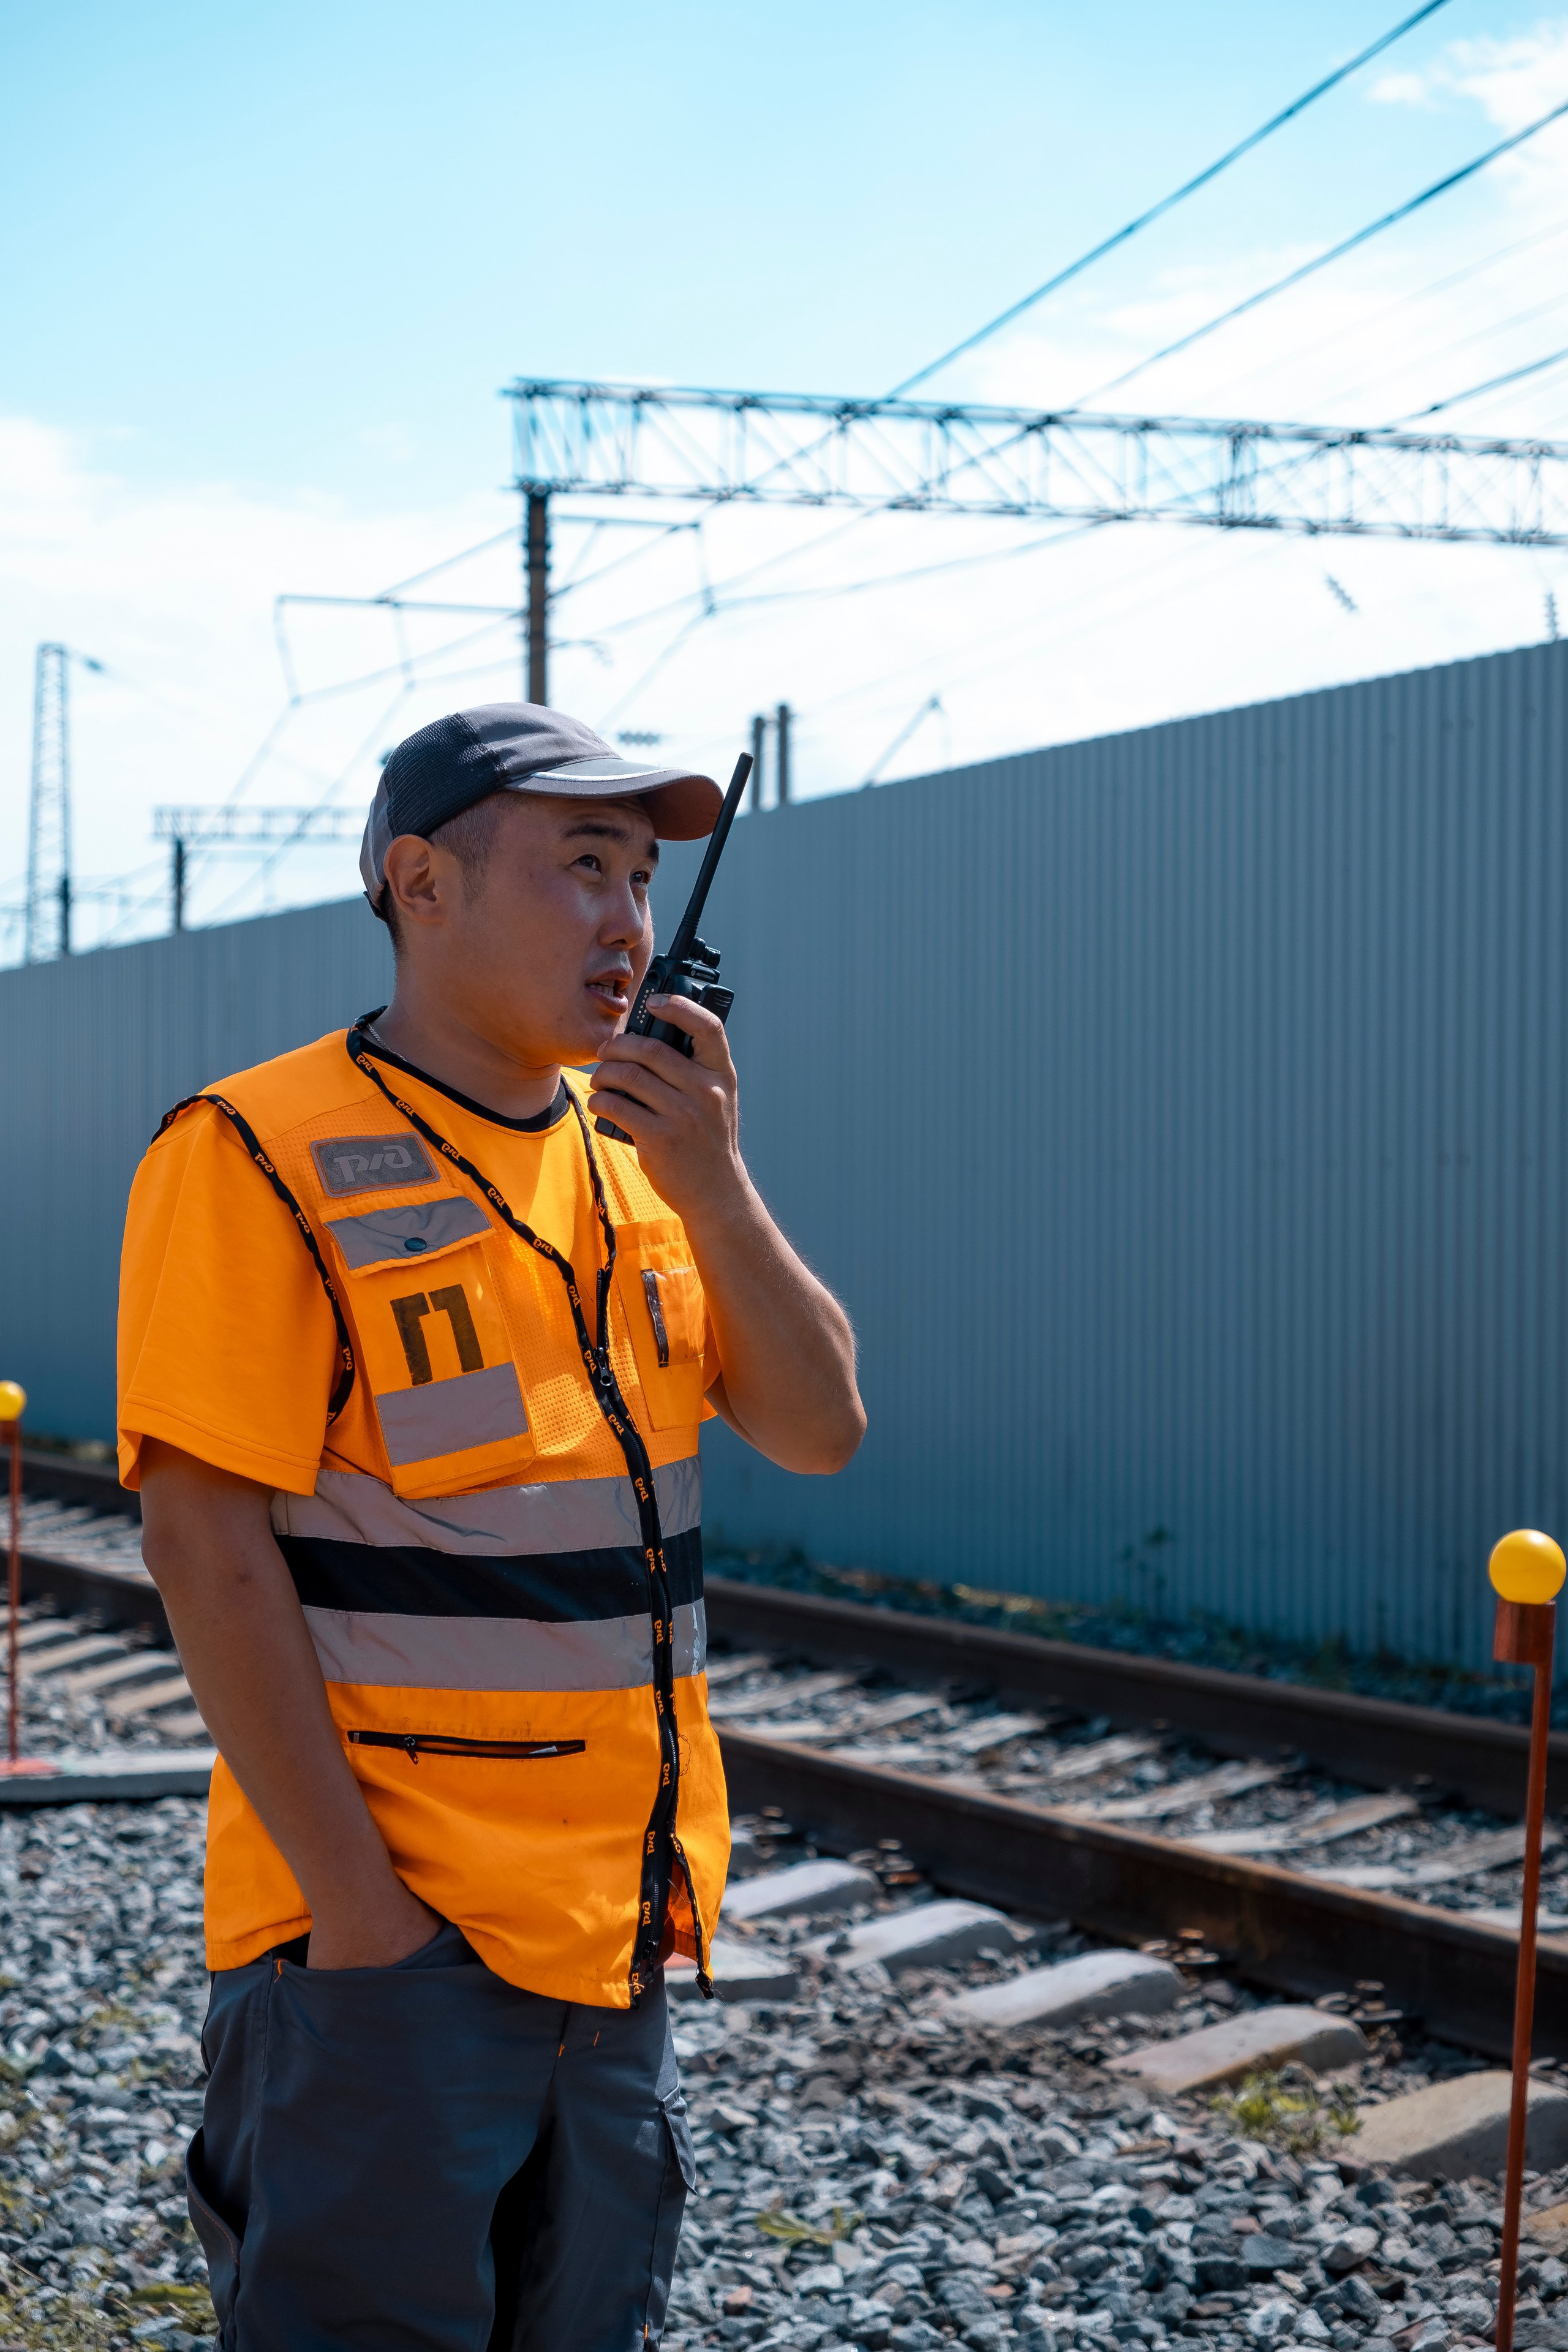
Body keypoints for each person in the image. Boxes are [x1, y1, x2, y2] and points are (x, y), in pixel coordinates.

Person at [116, 702, 865, 2352]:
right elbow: (201, 1548)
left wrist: (717, 1181)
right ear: (422, 884)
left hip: (616, 1946)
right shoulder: (255, 1153)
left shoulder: (643, 1161)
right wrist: (365, 1921)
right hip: (391, 1956)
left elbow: (822, 1429)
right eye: (582, 866)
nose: (627, 923)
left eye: (644, 878)